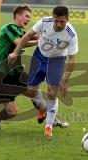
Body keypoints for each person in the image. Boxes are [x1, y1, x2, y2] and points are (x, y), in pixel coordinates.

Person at [0, 5, 69, 130]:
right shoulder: (9, 28)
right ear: (17, 15)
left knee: (33, 89)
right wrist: (40, 42)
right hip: (1, 76)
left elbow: (37, 35)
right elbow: (20, 42)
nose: (28, 20)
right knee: (12, 112)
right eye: (26, 16)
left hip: (16, 72)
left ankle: (51, 119)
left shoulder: (22, 32)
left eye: (29, 17)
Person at [8, 6, 78, 138]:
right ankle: (41, 107)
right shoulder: (45, 22)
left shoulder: (71, 34)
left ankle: (49, 125)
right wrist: (15, 52)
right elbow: (27, 35)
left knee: (52, 93)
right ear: (53, 17)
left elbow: (73, 57)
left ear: (67, 19)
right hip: (39, 56)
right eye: (56, 20)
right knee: (30, 90)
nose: (58, 24)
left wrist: (66, 80)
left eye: (61, 22)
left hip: (57, 60)